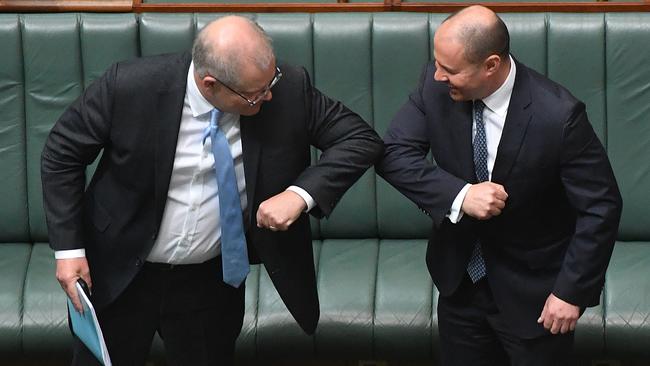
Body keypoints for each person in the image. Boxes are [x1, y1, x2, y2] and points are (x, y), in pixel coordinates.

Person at [41, 15, 382, 365]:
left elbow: (360, 139)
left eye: (271, 81)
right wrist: (68, 251)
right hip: (117, 272)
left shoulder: (287, 89)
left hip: (208, 282)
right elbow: (61, 153)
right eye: (254, 95)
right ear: (210, 84)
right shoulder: (129, 86)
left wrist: (299, 194)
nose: (268, 96)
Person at [377, 6, 622, 365]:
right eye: (436, 64)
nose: (439, 76)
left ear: (491, 65)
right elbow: (394, 153)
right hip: (460, 283)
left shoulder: (559, 115)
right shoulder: (434, 84)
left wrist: (571, 292)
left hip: (536, 296)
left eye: (451, 69)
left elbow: (600, 206)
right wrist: (460, 195)